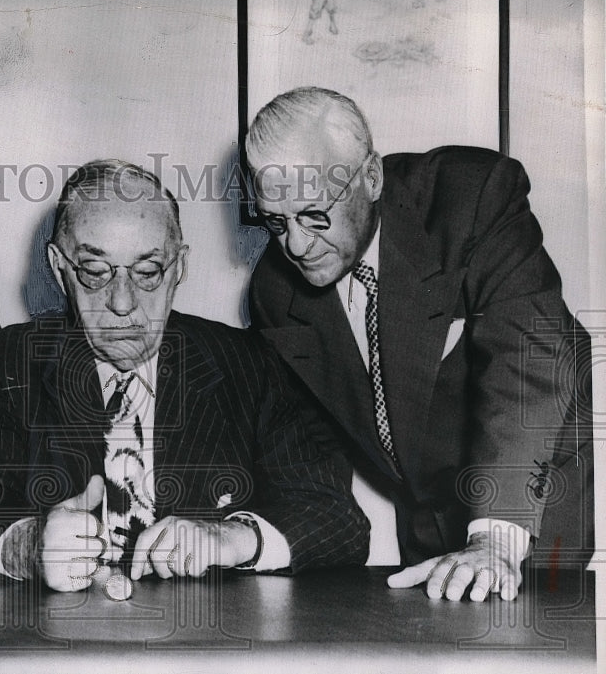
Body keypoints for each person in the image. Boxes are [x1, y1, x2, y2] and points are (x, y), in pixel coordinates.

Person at [0, 159, 369, 591]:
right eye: (95, 272)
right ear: (60, 269)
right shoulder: (11, 363)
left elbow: (338, 520)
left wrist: (234, 539)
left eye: (148, 271)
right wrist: (25, 546)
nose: (123, 302)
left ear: (178, 268)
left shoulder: (249, 365)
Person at [245, 86, 591, 602]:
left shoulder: (472, 198)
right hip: (425, 511)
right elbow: (308, 446)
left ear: (371, 176)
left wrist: (495, 540)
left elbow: (529, 358)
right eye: (276, 222)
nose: (295, 245)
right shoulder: (274, 293)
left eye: (315, 215)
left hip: (531, 498)